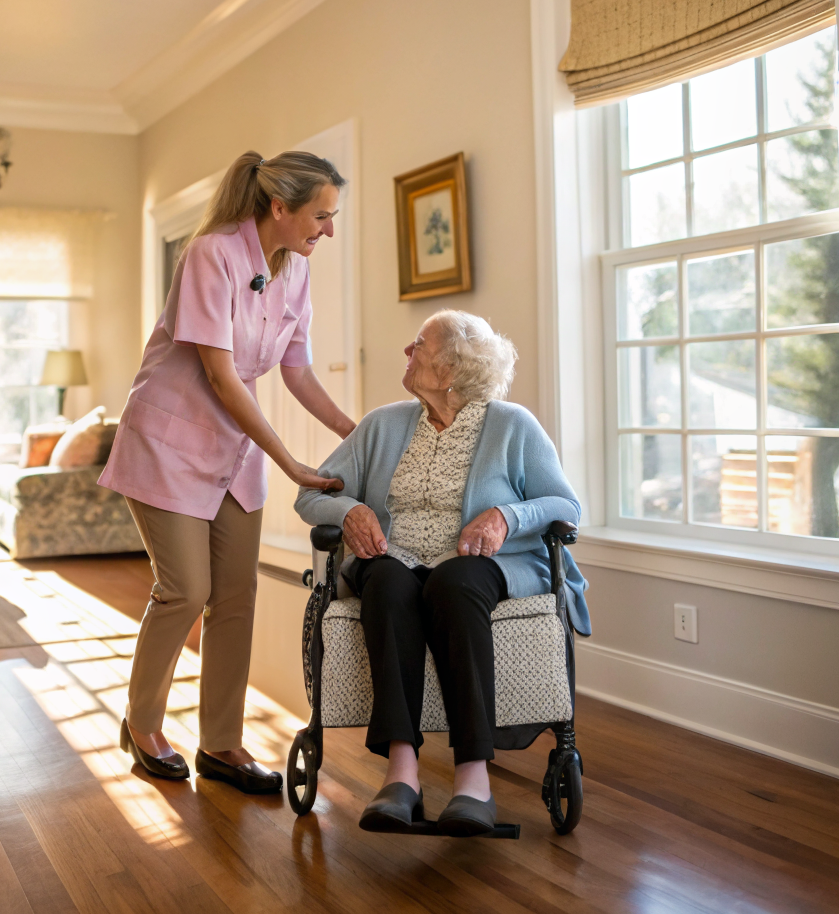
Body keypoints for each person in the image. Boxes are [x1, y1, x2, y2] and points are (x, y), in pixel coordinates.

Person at [100, 150, 356, 793]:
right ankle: (142, 723)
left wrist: (359, 434)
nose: (327, 229)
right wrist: (291, 461)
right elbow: (219, 372)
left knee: (236, 595)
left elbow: (295, 370)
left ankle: (221, 744)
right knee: (184, 588)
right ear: (280, 206)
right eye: (321, 215)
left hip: (233, 450)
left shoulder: (294, 272)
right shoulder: (211, 255)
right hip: (170, 440)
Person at [295, 310, 588, 835]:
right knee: (383, 582)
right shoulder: (382, 425)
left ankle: (473, 779)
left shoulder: (511, 425)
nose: (407, 352)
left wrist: (506, 516)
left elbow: (564, 504)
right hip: (395, 556)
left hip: (481, 562)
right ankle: (401, 773)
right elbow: (312, 493)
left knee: (454, 585)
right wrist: (351, 512)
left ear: (451, 366)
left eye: (419, 345)